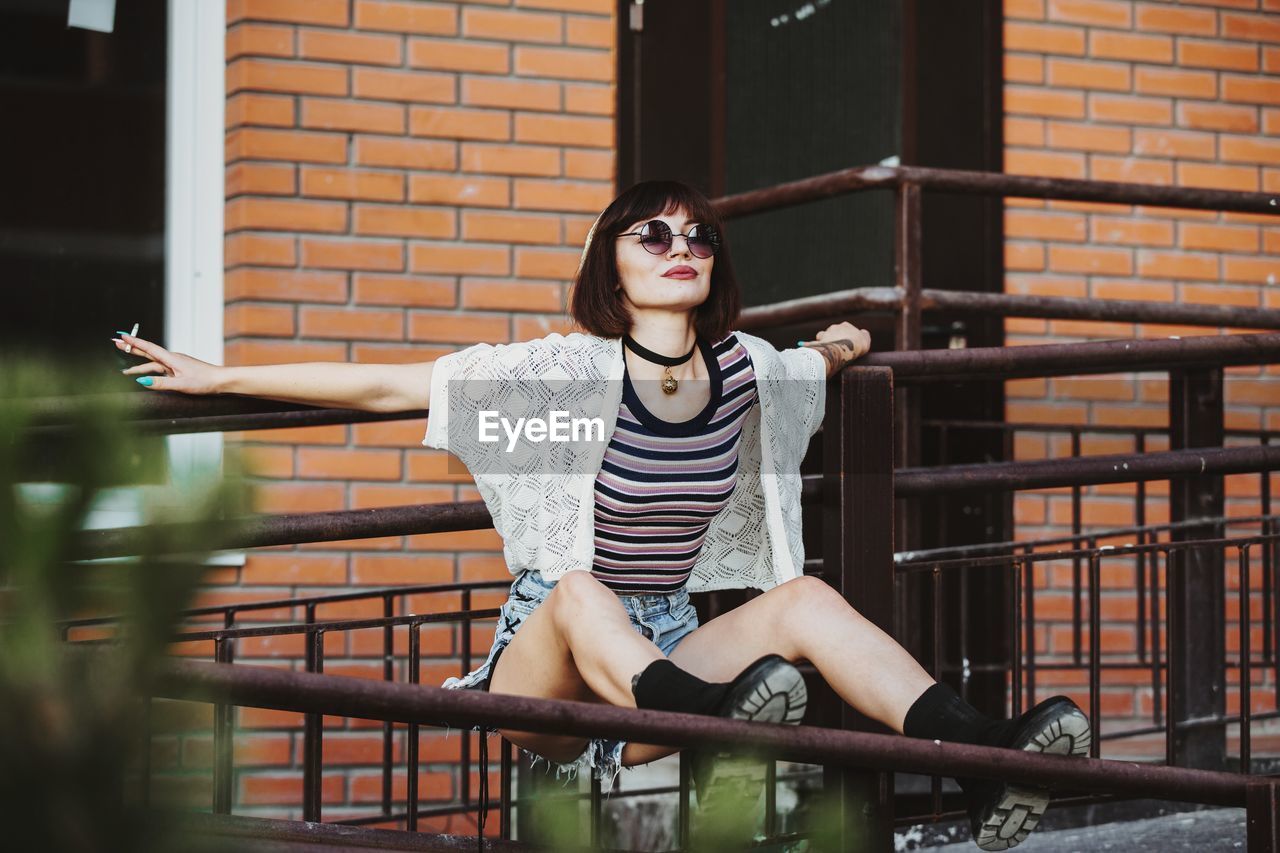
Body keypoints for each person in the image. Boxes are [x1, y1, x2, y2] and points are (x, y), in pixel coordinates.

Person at [112, 180, 1090, 851]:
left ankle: (980, 759)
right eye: (651, 234)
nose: (681, 247)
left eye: (697, 235)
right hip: (552, 664)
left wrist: (838, 344)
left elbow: (807, 368)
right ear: (609, 267)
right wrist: (217, 375)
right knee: (580, 586)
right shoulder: (562, 373)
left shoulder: (747, 369)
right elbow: (385, 387)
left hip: (672, 662)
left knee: (799, 600)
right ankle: (710, 726)